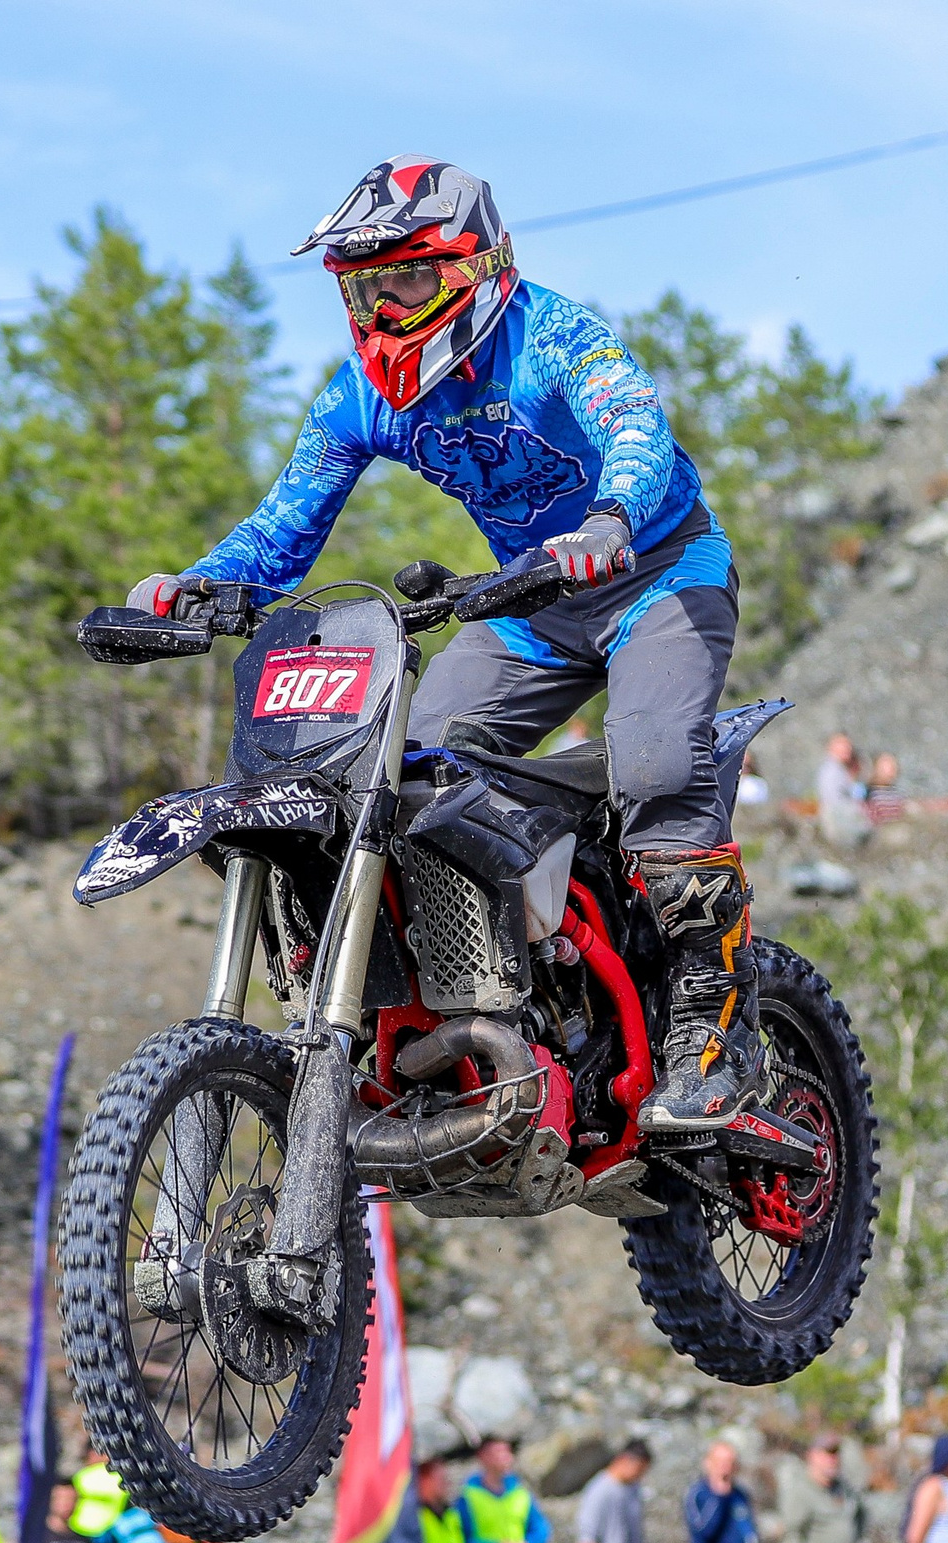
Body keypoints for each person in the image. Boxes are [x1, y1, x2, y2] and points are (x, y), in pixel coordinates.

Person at [151, 156, 764, 1136]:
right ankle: (481, 995)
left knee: (654, 765)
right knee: (401, 790)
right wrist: (193, 588)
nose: (384, 309)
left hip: (656, 573)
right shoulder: (361, 394)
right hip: (526, 603)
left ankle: (712, 1033)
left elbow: (636, 427)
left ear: (477, 269)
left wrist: (611, 520)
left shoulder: (553, 338)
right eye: (364, 288)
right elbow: (281, 527)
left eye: (408, 282)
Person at [776, 1433, 867, 1543]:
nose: (833, 1459)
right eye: (827, 1453)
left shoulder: (845, 1490)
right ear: (811, 1455)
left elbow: (860, 1518)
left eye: (836, 1453)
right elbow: (792, 1533)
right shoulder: (800, 1491)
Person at [461, 1436, 549, 1543]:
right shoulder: (469, 1497)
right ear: (483, 1457)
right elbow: (464, 1542)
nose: (506, 1457)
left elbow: (540, 1528)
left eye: (507, 1452)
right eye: (499, 1452)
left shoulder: (520, 1493)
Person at [574, 1439, 651, 1543]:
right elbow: (586, 1542)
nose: (640, 1476)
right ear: (624, 1460)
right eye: (639, 1470)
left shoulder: (633, 1489)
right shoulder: (599, 1491)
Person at [683, 1436, 757, 1543]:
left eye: (730, 1461)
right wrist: (719, 1497)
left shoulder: (740, 1495)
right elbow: (704, 1532)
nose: (725, 1466)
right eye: (720, 1461)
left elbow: (749, 1533)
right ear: (708, 1463)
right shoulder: (697, 1494)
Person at [416, 1456, 479, 1543]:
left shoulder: (452, 1515)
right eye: (441, 1480)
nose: (446, 1484)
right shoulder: (416, 1517)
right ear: (425, 1480)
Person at [815, 733, 869, 846]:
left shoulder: (842, 770)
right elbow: (835, 802)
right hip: (840, 824)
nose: (847, 748)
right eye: (842, 744)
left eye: (848, 745)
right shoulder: (831, 771)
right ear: (831, 747)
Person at [863, 753, 906, 825]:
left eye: (892, 766)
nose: (891, 770)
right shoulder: (868, 794)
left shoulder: (897, 795)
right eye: (885, 767)